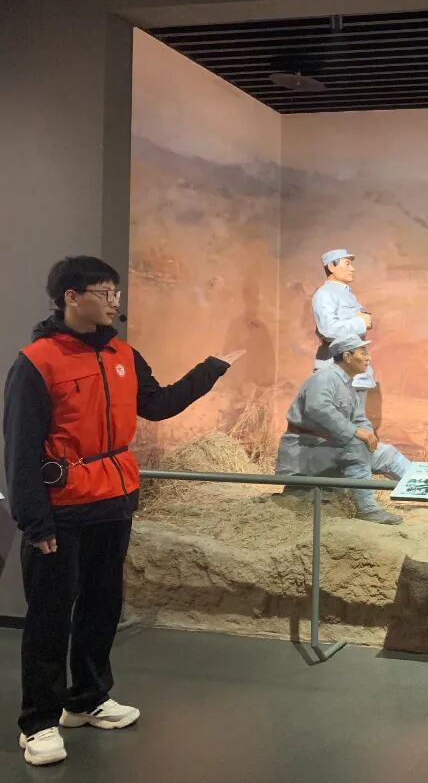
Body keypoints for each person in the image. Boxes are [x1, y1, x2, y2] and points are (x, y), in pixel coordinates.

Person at [3, 256, 243, 767]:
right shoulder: (38, 362)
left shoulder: (123, 354)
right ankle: (38, 722)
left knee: (102, 605)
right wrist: (34, 520)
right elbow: (20, 450)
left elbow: (156, 405)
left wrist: (210, 370)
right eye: (105, 292)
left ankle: (87, 699)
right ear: (72, 297)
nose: (115, 301)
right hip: (61, 510)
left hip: (114, 500)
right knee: (50, 617)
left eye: (116, 292)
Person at [275, 334, 407, 525]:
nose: (368, 358)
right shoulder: (324, 377)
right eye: (363, 353)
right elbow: (318, 408)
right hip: (306, 450)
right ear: (347, 356)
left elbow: (359, 418)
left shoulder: (347, 385)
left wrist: (367, 434)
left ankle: (425, 489)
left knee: (386, 453)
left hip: (331, 447)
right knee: (356, 447)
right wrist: (354, 432)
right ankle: (368, 509)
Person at [311, 248, 376, 390]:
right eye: (347, 264)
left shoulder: (347, 294)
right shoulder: (324, 294)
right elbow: (328, 329)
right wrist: (361, 322)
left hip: (354, 373)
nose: (352, 269)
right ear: (331, 267)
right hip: (336, 373)